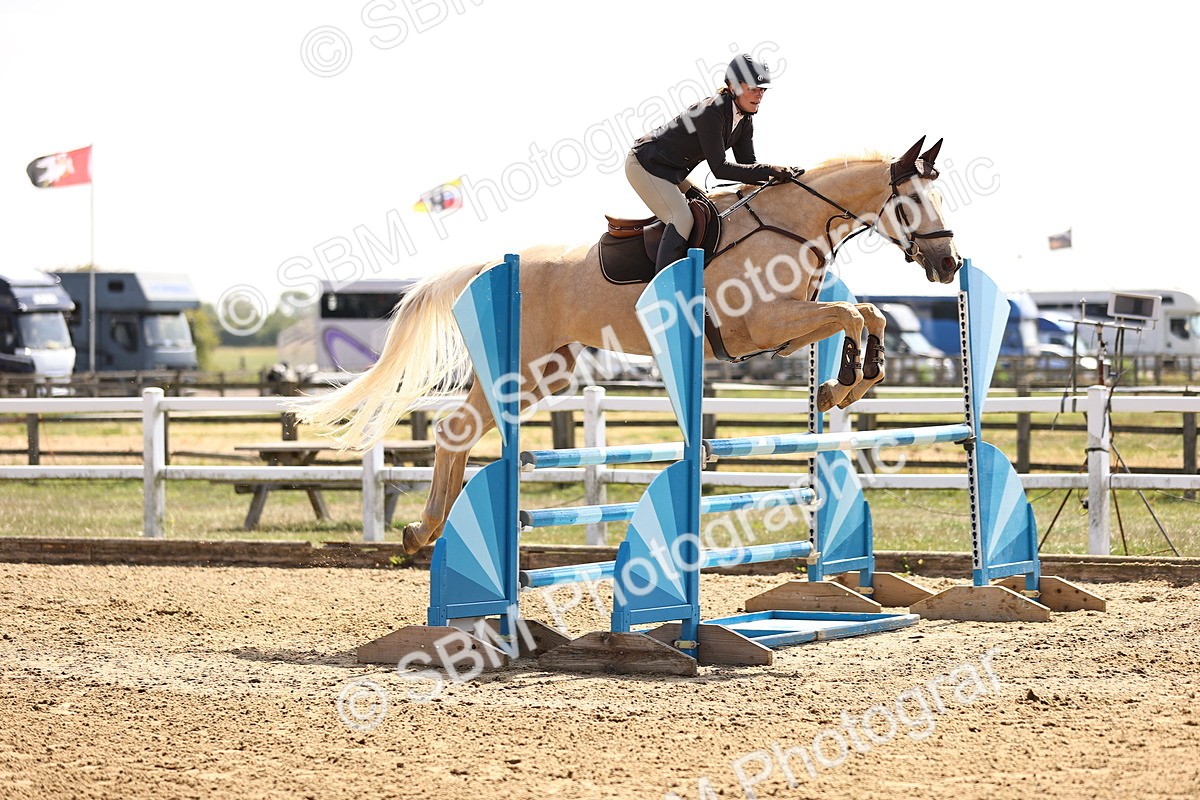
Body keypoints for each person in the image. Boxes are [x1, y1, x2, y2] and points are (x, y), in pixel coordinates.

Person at [626, 53, 797, 272]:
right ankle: (664, 287)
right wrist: (769, 170)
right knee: (682, 218)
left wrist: (778, 180)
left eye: (762, 89)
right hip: (646, 165)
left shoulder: (745, 119)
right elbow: (720, 169)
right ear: (734, 86)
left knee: (709, 208)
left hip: (673, 170)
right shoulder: (712, 111)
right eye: (753, 88)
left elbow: (748, 165)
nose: (759, 95)